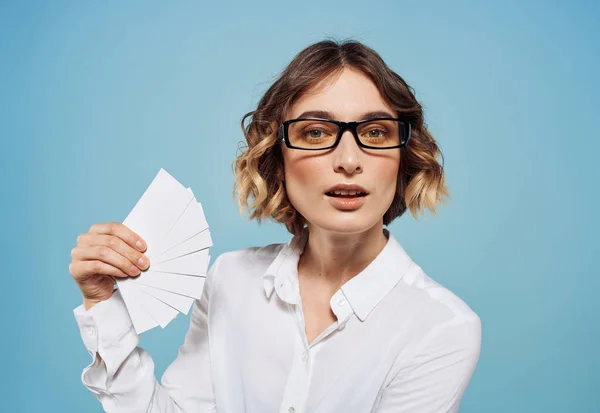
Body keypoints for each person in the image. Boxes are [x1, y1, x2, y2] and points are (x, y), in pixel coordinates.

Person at [69, 39, 482, 413]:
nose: (350, 160)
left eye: (375, 132)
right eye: (317, 132)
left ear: (405, 155)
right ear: (276, 156)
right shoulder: (229, 280)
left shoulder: (442, 328)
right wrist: (102, 303)